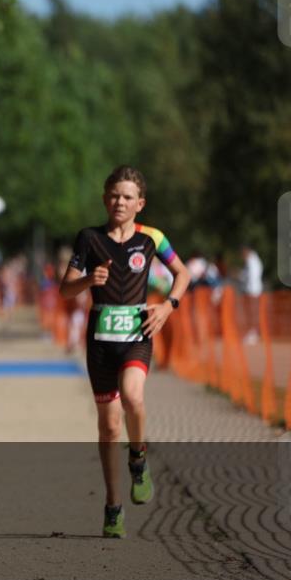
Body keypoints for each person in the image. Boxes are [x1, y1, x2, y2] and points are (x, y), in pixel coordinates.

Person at [59, 165, 189, 538]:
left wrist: (168, 307)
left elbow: (183, 274)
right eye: (114, 195)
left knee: (133, 396)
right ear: (105, 198)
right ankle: (113, 506)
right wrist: (88, 280)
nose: (120, 202)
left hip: (137, 333)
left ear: (140, 204)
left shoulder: (152, 238)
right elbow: (66, 290)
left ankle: (139, 456)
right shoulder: (88, 238)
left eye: (128, 197)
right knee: (109, 425)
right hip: (100, 341)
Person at [238, 245, 263, 344]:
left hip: (252, 291)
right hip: (252, 290)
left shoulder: (252, 261)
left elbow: (251, 277)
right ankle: (253, 333)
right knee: (251, 313)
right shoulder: (252, 260)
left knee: (252, 313)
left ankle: (253, 333)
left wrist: (241, 277)